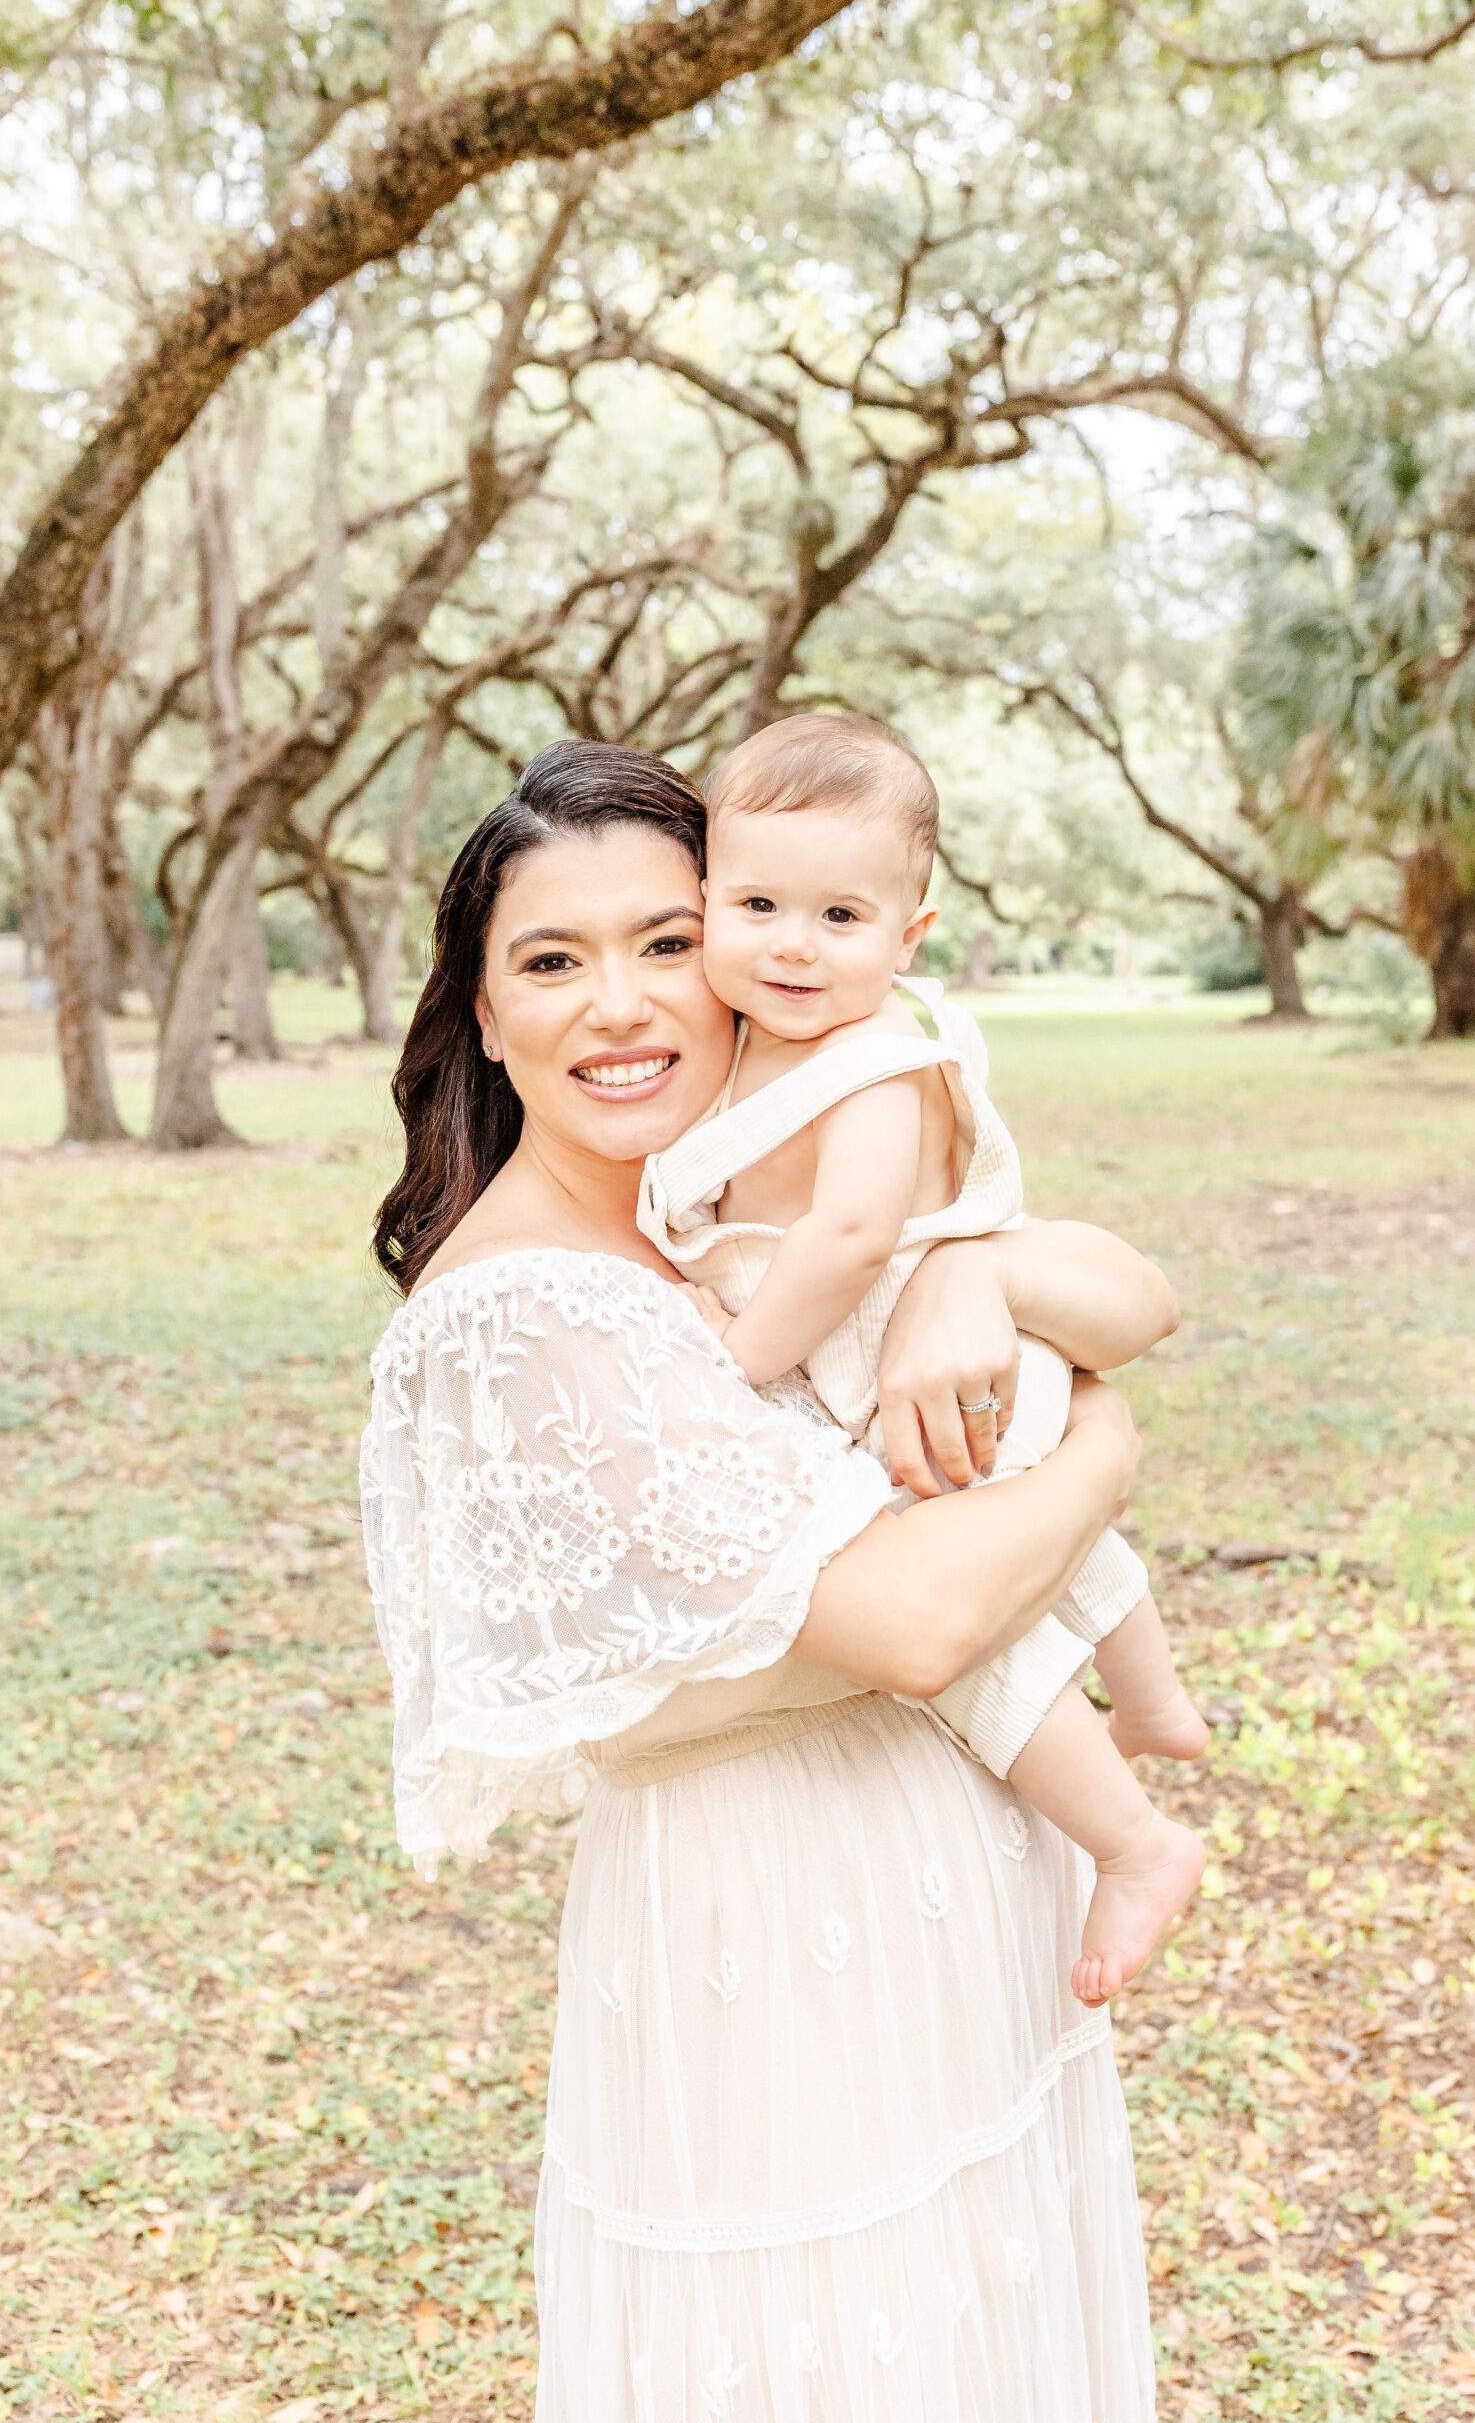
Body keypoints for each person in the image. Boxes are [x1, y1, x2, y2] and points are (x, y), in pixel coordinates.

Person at [364, 740, 1170, 2420]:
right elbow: (916, 1618)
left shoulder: (737, 1210)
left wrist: (978, 1271)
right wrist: (1104, 1458)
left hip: (950, 1883)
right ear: (483, 1014)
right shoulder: (520, 1308)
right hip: (775, 1927)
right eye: (552, 961)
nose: (623, 1004)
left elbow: (1140, 1296)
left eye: (668, 941)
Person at [638, 715, 1205, 2006]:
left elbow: (846, 1242)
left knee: (983, 1625)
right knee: (1048, 1531)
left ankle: (1132, 1838)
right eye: (759, 904)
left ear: (912, 935)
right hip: (945, 1366)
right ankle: (1155, 1696)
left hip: (928, 1366)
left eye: (840, 917)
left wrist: (738, 1359)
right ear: (707, 899)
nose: (792, 942)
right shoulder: (753, 1050)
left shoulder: (875, 1070)